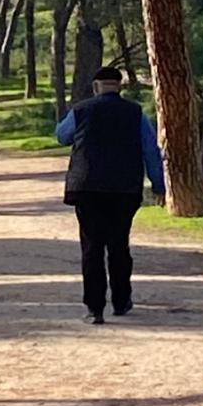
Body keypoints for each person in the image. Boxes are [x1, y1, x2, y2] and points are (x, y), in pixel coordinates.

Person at [55, 65, 165, 324]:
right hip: (124, 189)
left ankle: (94, 308)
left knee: (92, 247)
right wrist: (159, 185)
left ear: (95, 87)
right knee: (118, 244)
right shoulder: (135, 113)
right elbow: (151, 151)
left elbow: (61, 136)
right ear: (120, 86)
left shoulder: (81, 110)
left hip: (86, 188)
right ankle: (121, 300)